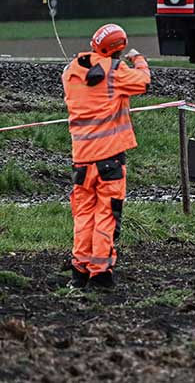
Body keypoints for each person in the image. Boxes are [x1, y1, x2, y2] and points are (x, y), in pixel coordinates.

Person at [61, 24, 150, 289]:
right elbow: (144, 81)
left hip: (81, 160)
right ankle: (100, 275)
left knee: (83, 216)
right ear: (118, 50)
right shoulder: (116, 72)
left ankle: (79, 272)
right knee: (106, 216)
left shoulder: (71, 72)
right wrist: (138, 59)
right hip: (110, 160)